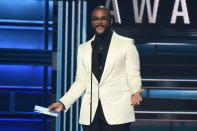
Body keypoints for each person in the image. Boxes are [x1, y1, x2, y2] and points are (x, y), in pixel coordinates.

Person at [48, 6, 144, 131]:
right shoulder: (83, 49)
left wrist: (135, 91)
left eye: (103, 19)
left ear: (110, 21)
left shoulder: (126, 45)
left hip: (118, 113)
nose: (99, 22)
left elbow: (133, 74)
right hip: (90, 116)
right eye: (95, 19)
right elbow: (80, 82)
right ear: (92, 22)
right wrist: (63, 102)